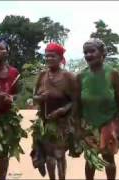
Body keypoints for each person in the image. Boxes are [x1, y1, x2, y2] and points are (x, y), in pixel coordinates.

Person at [74, 38, 119, 180]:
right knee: (90, 160)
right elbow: (76, 104)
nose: (88, 55)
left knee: (109, 159)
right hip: (88, 124)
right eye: (85, 52)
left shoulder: (113, 73)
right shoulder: (80, 76)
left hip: (108, 123)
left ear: (103, 53)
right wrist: (77, 128)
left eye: (92, 51)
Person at [32, 42, 76, 180]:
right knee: (49, 155)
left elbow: (76, 101)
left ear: (60, 58)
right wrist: (40, 97)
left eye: (53, 56)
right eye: (47, 56)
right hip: (45, 123)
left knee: (59, 154)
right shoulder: (42, 75)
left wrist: (63, 110)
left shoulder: (68, 77)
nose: (49, 59)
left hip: (63, 123)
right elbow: (34, 97)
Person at [0, 37, 27, 180]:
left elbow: (17, 94)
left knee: (4, 153)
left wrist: (11, 98)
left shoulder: (14, 73)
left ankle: (2, 178)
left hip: (6, 117)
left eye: (1, 48)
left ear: (7, 52)